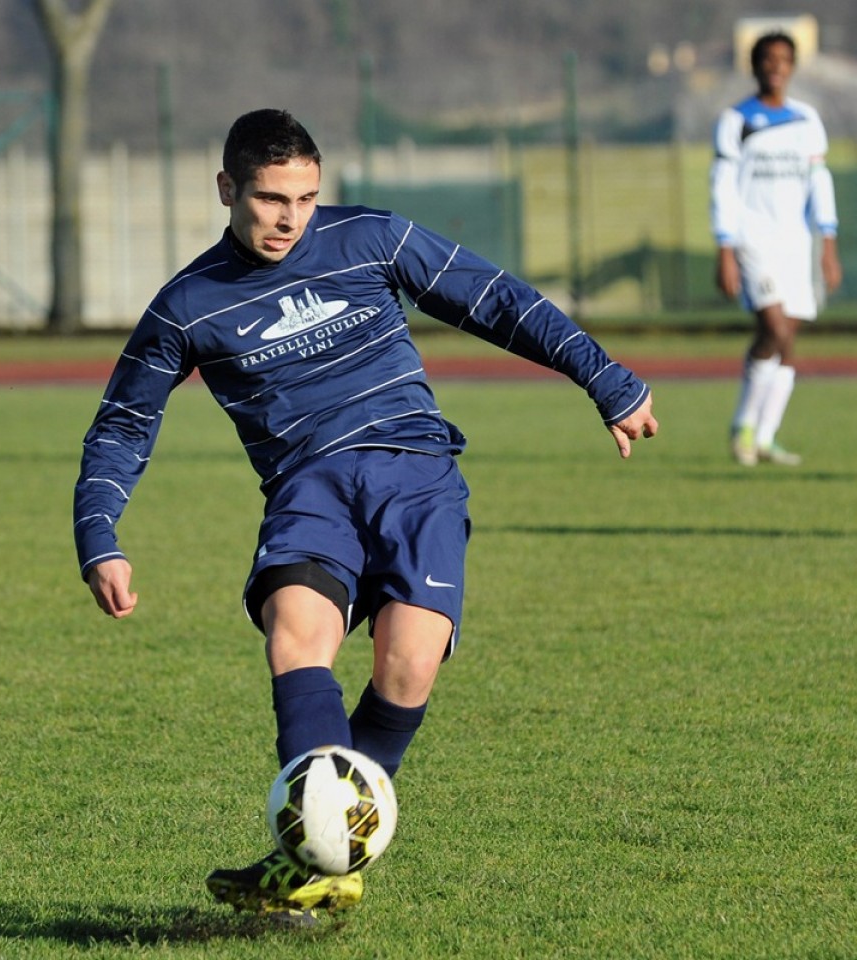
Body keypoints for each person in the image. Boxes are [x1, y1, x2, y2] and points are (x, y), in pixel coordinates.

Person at [72, 108, 658, 920]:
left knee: (408, 666)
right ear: (226, 190)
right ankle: (322, 855)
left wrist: (607, 380)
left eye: (306, 198)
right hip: (308, 489)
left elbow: (495, 298)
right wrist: (99, 536)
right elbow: (124, 425)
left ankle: (312, 858)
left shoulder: (373, 237)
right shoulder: (189, 305)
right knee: (295, 636)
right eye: (271, 198)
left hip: (414, 474)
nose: (290, 218)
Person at [710, 31, 842, 467]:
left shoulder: (806, 120)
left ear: (793, 66)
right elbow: (723, 187)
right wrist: (725, 246)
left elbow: (820, 183)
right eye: (768, 59)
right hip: (753, 241)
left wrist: (828, 242)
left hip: (795, 243)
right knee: (775, 329)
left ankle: (765, 437)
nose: (776, 67)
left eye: (784, 59)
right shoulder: (736, 120)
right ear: (754, 65)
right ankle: (743, 427)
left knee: (788, 342)